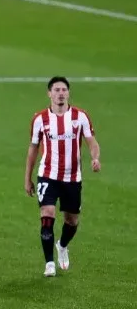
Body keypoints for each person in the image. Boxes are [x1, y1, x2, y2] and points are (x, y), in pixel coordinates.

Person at [25, 76, 101, 277]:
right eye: (56, 90)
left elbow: (92, 142)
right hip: (48, 175)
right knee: (47, 214)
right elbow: (33, 149)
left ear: (68, 93)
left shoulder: (80, 116)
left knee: (72, 221)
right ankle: (49, 263)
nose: (60, 93)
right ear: (49, 93)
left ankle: (63, 246)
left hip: (72, 178)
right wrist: (28, 178)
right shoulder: (40, 119)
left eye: (64, 90)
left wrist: (95, 158)